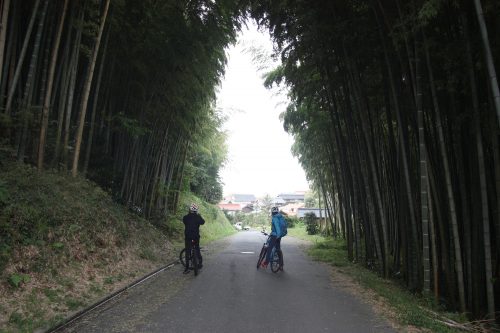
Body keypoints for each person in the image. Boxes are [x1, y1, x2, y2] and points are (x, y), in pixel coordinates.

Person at [182, 203, 205, 274]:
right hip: (196, 236)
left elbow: (185, 222)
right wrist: (199, 215)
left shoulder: (185, 217)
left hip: (188, 236)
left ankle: (186, 268)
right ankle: (200, 263)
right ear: (196, 210)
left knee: (187, 251)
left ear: (189, 209)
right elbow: (203, 222)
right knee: (197, 249)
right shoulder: (198, 217)